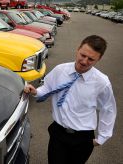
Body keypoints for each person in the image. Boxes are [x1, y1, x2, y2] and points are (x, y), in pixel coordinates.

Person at [24, 35, 117, 164]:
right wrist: (36, 91)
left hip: (83, 138)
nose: (84, 61)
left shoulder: (102, 82)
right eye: (83, 55)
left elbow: (108, 109)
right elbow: (47, 88)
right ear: (78, 49)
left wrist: (102, 137)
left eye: (91, 59)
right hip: (58, 133)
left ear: (99, 59)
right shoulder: (60, 70)